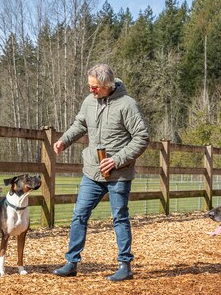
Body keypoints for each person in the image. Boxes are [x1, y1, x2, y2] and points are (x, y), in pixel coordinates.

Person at [52, 63, 149, 281]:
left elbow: (142, 137)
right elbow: (80, 124)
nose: (91, 90)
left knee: (119, 217)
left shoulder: (128, 105)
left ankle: (125, 265)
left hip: (119, 174)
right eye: (90, 86)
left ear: (107, 85)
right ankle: (72, 262)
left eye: (95, 87)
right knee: (79, 214)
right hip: (92, 172)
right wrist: (63, 141)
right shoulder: (89, 102)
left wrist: (117, 160)